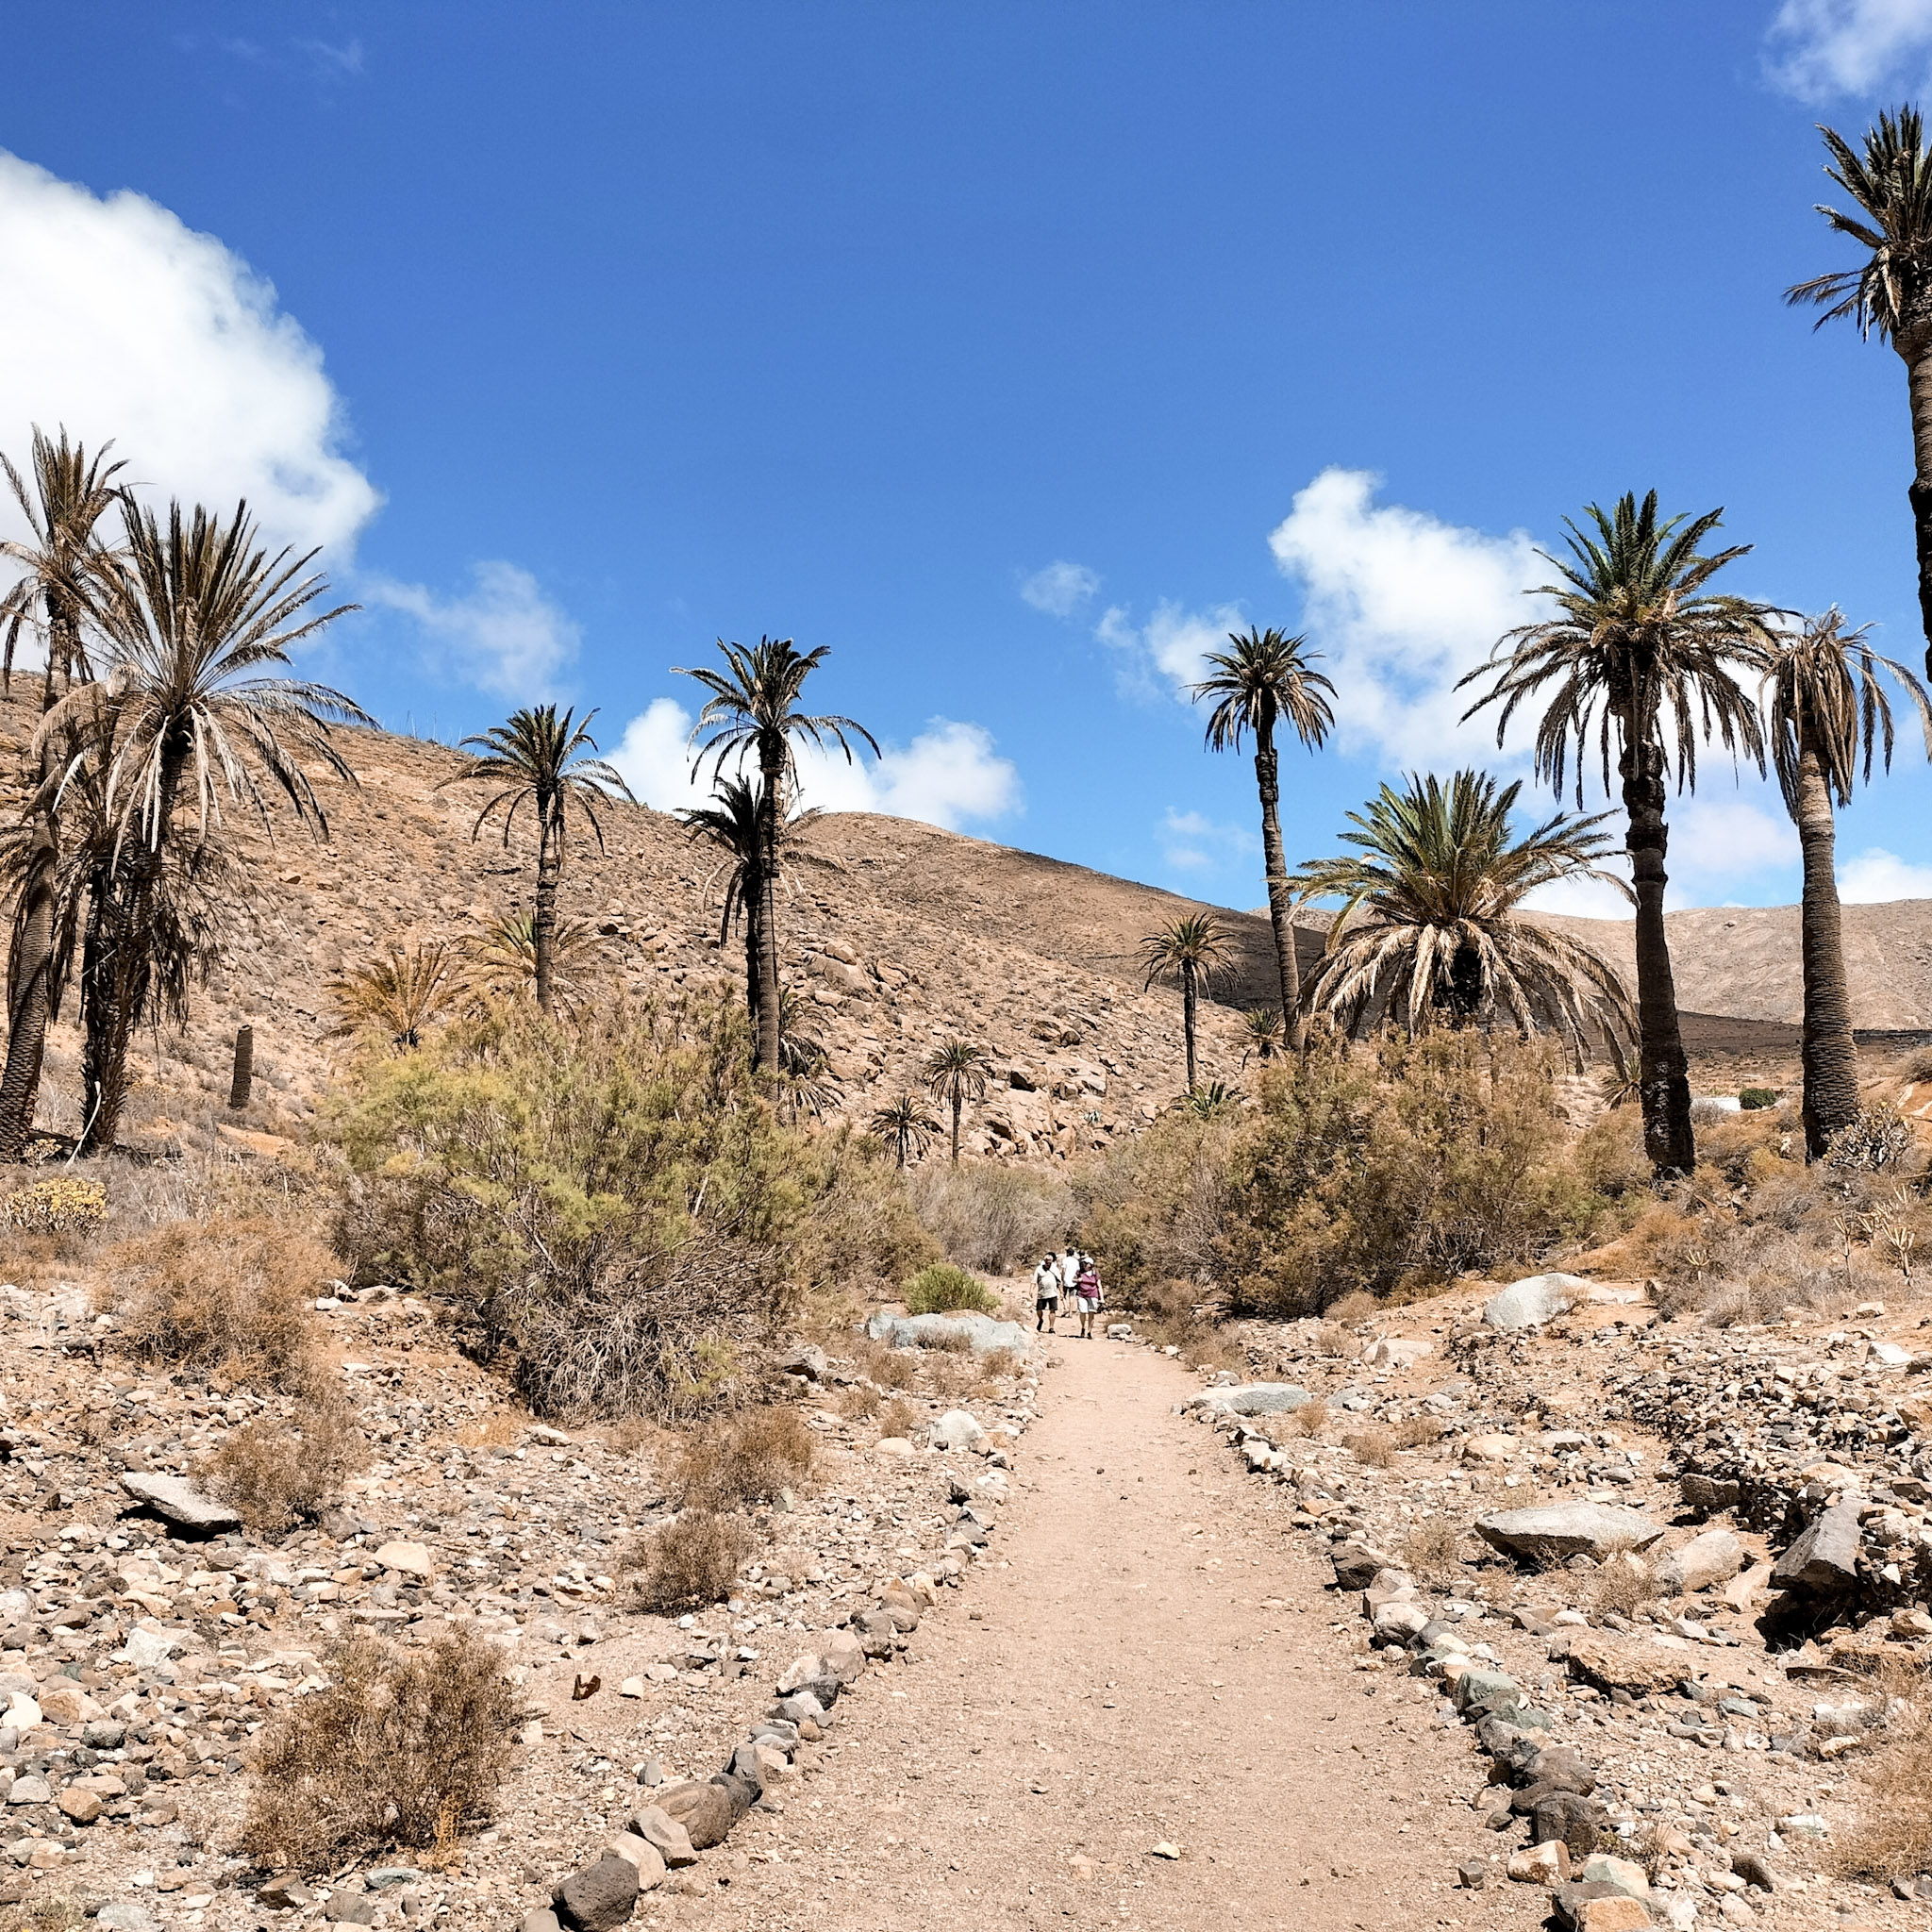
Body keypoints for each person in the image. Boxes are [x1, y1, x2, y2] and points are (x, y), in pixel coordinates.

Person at [1074, 1255, 1103, 1338]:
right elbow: (1073, 1279)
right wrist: (1078, 1280)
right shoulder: (1079, 1272)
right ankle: (1083, 1327)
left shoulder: (1095, 1273)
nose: (1084, 1265)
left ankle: (1089, 1331)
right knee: (1083, 1311)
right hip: (1082, 1294)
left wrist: (1102, 1298)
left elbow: (1099, 1285)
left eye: (1086, 1264)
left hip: (1093, 1294)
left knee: (1091, 1313)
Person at [1032, 1254, 1061, 1334]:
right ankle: (1040, 1320)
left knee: (1052, 1310)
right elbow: (1034, 1280)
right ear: (1044, 1261)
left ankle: (1051, 1327)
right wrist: (1031, 1289)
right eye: (1047, 1261)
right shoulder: (1039, 1269)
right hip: (1042, 1292)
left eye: (1050, 1261)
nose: (1048, 1263)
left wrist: (1061, 1292)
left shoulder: (1055, 1269)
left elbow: (1059, 1281)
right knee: (1039, 1309)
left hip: (1053, 1292)